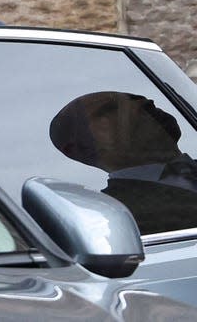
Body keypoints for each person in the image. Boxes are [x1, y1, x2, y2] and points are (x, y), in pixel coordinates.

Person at [48, 91, 197, 234]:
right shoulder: (115, 217)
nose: (141, 103)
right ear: (78, 148)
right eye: (109, 109)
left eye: (135, 97)